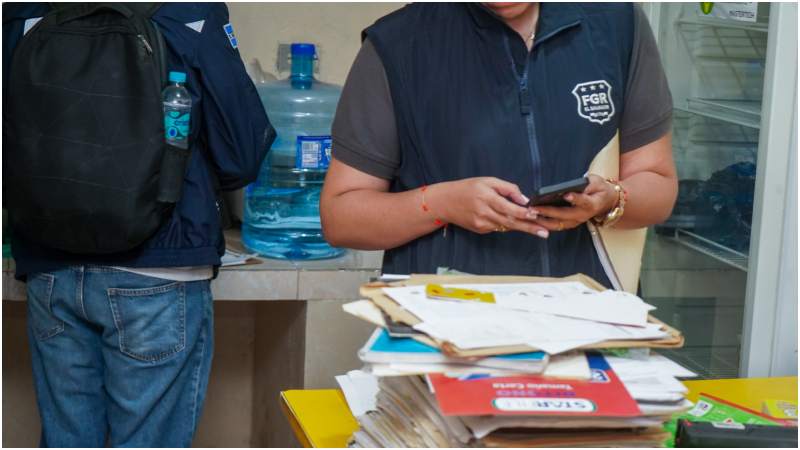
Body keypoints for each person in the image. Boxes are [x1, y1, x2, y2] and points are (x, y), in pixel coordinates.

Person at [3, 3, 272, 447]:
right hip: (160, 267)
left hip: (50, 267)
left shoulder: (20, 15)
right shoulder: (189, 15)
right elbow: (241, 154)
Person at [321, 2, 678, 289]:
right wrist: (442, 203)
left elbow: (657, 185)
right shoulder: (398, 44)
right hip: (445, 323)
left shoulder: (617, 25)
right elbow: (341, 218)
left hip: (589, 320)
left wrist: (610, 199)